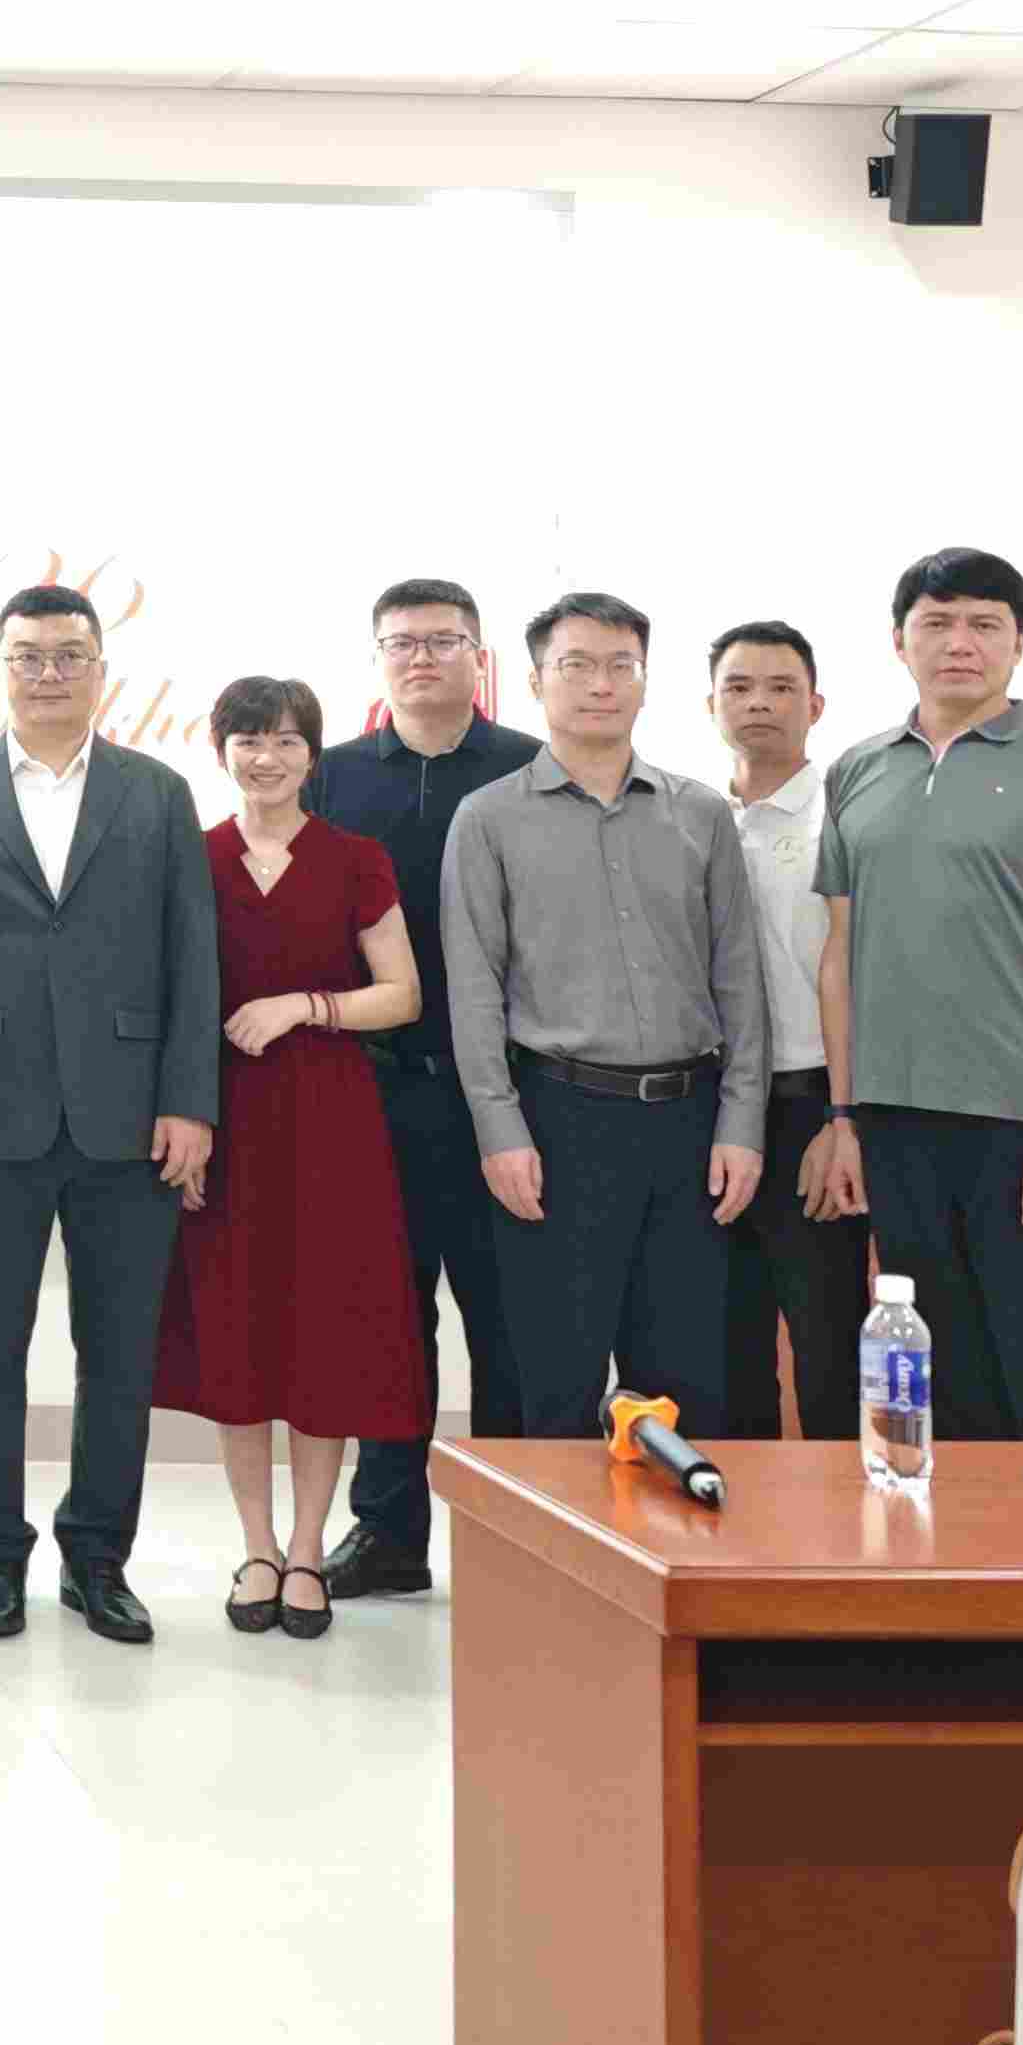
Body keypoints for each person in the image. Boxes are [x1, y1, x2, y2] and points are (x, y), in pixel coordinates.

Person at [0, 587, 221, 1648]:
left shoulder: (156, 792)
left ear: (100, 670)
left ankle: (98, 1560)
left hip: (129, 1123)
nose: (49, 673)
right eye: (29, 656)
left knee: (118, 1354)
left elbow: (192, 957)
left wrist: (189, 1101)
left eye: (68, 656)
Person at [817, 549, 1023, 1440]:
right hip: (895, 1127)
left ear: (1019, 643)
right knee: (937, 1390)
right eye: (936, 623)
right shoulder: (856, 772)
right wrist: (844, 1117)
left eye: (983, 625)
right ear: (899, 642)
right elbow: (840, 956)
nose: (959, 643)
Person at [442, 593, 768, 1439]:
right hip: (558, 1122)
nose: (601, 684)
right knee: (555, 1378)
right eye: (577, 665)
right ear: (535, 681)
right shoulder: (489, 818)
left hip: (691, 1125)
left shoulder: (700, 813)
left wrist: (742, 1126)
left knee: (688, 1382)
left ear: (645, 680)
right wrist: (500, 1132)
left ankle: (677, 1529)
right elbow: (473, 990)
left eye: (622, 665)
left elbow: (740, 982)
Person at [153, 676, 425, 1642]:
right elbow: (167, 1003)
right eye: (247, 740)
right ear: (219, 749)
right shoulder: (191, 858)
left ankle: (309, 1548)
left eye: (284, 741)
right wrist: (182, 1123)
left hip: (332, 1124)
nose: (265, 758)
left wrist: (303, 1007)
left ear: (314, 754)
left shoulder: (356, 859)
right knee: (237, 1331)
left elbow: (401, 994)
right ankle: (257, 1547)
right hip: (223, 1124)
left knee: (323, 1334)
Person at [303, 575, 538, 1601]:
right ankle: (389, 1533)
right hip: (373, 1095)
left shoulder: (531, 768)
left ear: (478, 657)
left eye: (442, 640)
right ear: (378, 659)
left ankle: (517, 1537)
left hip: (507, 1102)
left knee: (511, 1326)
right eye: (401, 642)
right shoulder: (332, 777)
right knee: (384, 1326)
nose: (421, 658)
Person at [705, 621, 872, 1441]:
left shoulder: (846, 821)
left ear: (816, 705)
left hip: (814, 1103)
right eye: (738, 688)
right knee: (725, 1340)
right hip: (710, 1106)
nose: (760, 704)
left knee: (826, 1339)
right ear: (710, 705)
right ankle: (741, 1514)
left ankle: (841, 1514)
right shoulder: (692, 819)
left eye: (781, 688)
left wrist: (846, 1119)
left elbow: (867, 973)